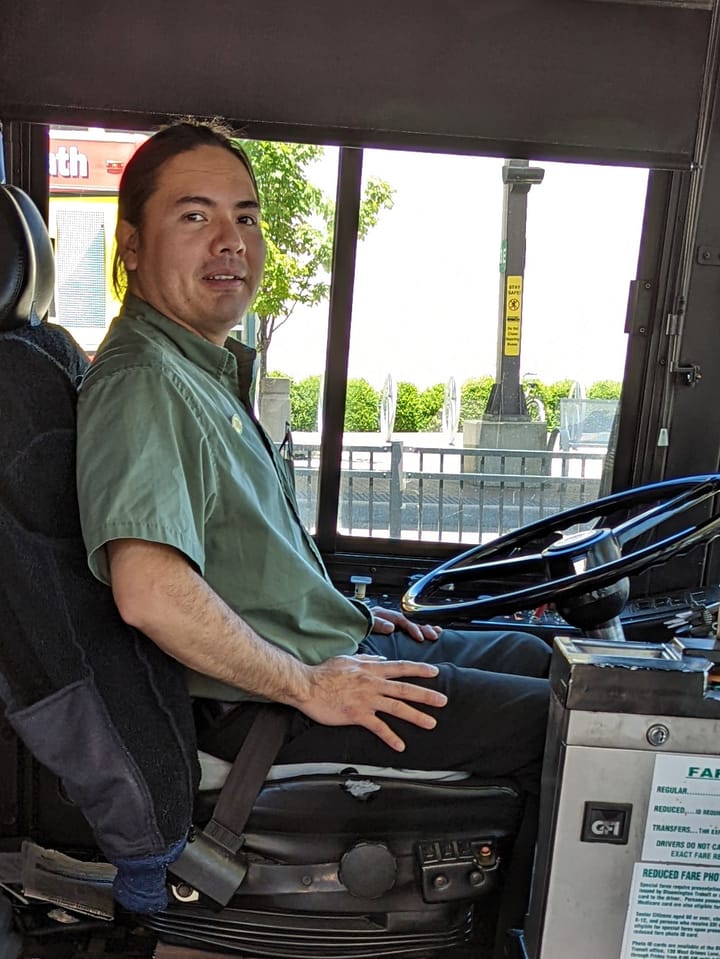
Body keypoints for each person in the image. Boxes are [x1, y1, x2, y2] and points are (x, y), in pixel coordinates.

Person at [76, 120, 550, 814]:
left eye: (245, 216)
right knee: (579, 728)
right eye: (194, 215)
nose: (230, 241)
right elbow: (149, 589)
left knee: (551, 663)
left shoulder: (197, 370)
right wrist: (309, 683)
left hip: (319, 655)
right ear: (133, 246)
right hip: (261, 709)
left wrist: (347, 617)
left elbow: (248, 568)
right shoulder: (144, 380)